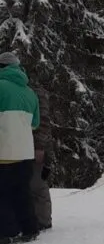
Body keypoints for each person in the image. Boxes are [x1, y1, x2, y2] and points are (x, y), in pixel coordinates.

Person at [0, 51, 40, 244]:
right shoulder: (30, 92)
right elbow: (35, 124)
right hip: (25, 153)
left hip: (3, 151)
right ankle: (30, 229)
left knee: (2, 194)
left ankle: (7, 233)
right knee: (21, 192)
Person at [30, 85, 52, 230]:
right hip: (25, 143)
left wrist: (39, 146)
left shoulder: (35, 91)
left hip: (36, 144)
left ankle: (43, 221)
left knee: (37, 183)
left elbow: (43, 121)